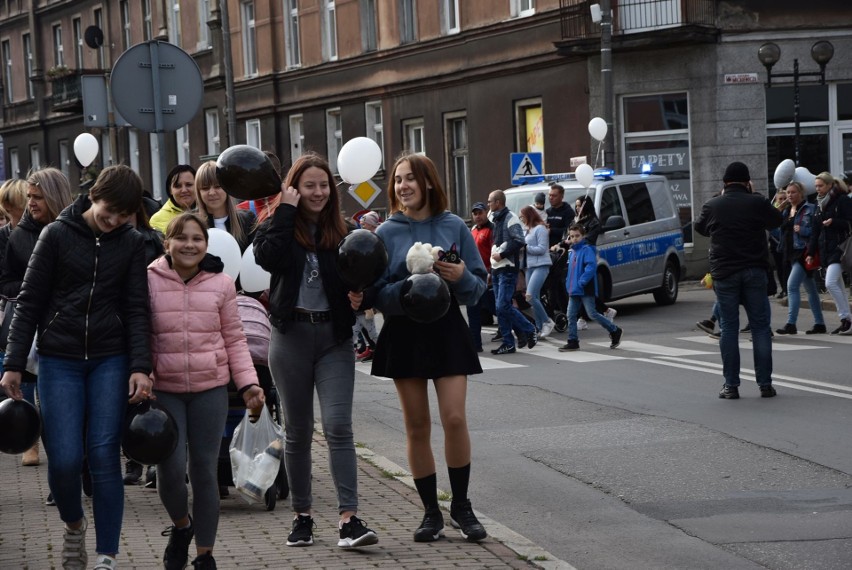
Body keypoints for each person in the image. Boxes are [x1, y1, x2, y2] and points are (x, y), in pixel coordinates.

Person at [0, 164, 153, 569]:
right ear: (93, 195)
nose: (115, 220)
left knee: (103, 455)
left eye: (124, 215)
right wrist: (13, 363)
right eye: (110, 211)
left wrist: (140, 365)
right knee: (65, 458)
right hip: (59, 359)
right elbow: (28, 301)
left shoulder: (131, 242)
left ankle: (106, 554)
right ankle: (73, 525)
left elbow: (138, 309)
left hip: (110, 358)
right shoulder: (55, 235)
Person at [253, 152, 379, 550]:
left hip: (333, 340)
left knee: (339, 425)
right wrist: (286, 210)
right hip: (290, 338)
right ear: (294, 187)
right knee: (299, 431)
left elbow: (368, 276)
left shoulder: (343, 232)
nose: (319, 192)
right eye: (309, 185)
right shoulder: (277, 226)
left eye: (324, 185)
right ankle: (302, 517)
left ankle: (349, 519)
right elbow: (266, 258)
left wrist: (363, 296)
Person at [368, 153, 488, 543]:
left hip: (447, 328)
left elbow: (478, 286)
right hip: (404, 332)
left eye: (410, 179)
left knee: (454, 419)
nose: (402, 186)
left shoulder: (454, 226)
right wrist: (402, 290)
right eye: (398, 180)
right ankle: (431, 513)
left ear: (429, 183)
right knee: (416, 425)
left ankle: (461, 507)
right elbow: (375, 292)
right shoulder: (387, 232)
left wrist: (460, 275)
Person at [149, 213, 265, 570]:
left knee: (203, 470)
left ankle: (205, 556)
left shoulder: (222, 283)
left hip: (209, 390)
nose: (189, 245)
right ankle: (182, 527)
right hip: (164, 392)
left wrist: (248, 384)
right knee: (169, 472)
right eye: (180, 238)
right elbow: (139, 335)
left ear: (206, 244)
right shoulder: (147, 280)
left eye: (197, 238)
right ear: (167, 242)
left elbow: (235, 338)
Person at [0, 171, 74, 469]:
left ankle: (80, 468)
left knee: (74, 413)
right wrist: (35, 286)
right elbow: (6, 283)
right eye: (29, 197)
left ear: (55, 197)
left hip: (79, 335)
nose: (31, 203)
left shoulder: (81, 229)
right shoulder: (19, 237)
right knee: (51, 408)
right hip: (38, 336)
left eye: (38, 197)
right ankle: (59, 474)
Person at [694, 161, 783, 399]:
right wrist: (754, 196)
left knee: (730, 328)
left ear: (724, 183)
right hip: (755, 270)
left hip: (724, 273)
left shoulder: (713, 205)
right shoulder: (757, 201)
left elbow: (699, 228)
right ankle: (765, 385)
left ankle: (731, 386)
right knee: (760, 328)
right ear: (747, 182)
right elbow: (777, 221)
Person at [123, 205, 165, 486]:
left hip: (151, 319)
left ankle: (153, 459)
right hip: (121, 325)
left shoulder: (153, 240)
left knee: (151, 394)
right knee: (129, 396)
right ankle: (133, 458)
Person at [558, 224, 622, 351]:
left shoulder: (587, 250)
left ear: (583, 236)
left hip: (585, 287)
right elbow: (570, 271)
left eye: (577, 236)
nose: (575, 239)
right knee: (570, 315)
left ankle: (614, 330)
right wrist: (568, 284)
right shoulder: (572, 252)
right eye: (572, 236)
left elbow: (591, 267)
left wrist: (582, 282)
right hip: (574, 289)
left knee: (592, 313)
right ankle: (573, 340)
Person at [488, 189, 537, 355]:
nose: (488, 204)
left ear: (498, 203)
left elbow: (519, 241)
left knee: (502, 306)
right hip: (496, 269)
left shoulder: (511, 218)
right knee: (501, 307)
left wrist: (501, 254)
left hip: (507, 268)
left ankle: (529, 329)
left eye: (490, 201)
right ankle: (509, 342)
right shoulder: (494, 218)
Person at [775, 181, 826, 335]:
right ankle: (820, 324)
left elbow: (817, 230)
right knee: (811, 289)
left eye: (793, 192)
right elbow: (780, 232)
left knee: (792, 286)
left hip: (804, 253)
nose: (790, 195)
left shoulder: (809, 209)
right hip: (790, 253)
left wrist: (802, 229)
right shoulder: (786, 211)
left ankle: (791, 323)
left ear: (801, 193)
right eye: (788, 193)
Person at [806, 172, 852, 335]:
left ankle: (846, 318)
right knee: (837, 284)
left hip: (841, 247)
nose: (817, 189)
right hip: (826, 249)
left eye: (820, 186)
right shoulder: (818, 204)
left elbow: (849, 222)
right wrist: (811, 252)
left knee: (830, 283)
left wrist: (834, 222)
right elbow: (815, 231)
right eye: (816, 186)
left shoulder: (842, 200)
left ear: (830, 185)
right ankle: (847, 320)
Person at [194, 160, 257, 253]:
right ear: (198, 192)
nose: (211, 193)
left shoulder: (247, 220)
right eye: (205, 188)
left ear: (227, 188)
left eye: (218, 186)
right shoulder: (191, 224)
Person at [519, 205, 555, 337]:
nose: (521, 219)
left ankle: (547, 321)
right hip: (529, 266)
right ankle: (539, 327)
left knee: (530, 296)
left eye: (522, 216)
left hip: (541, 265)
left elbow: (542, 248)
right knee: (533, 298)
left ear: (528, 215)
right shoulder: (527, 230)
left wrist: (526, 247)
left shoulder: (540, 228)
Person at [352, 211, 382, 362]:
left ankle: (377, 348)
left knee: (369, 327)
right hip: (361, 283)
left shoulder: (377, 237)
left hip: (369, 284)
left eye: (364, 221)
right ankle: (368, 347)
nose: (362, 223)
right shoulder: (360, 236)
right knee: (358, 327)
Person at [466, 201, 495, 351]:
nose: (477, 216)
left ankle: (524, 331)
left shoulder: (491, 229)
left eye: (480, 213)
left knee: (496, 308)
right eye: (475, 213)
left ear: (486, 213)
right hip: (474, 276)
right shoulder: (473, 230)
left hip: (488, 276)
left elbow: (494, 251)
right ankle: (475, 344)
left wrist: (490, 272)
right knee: (473, 311)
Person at [150, 164, 197, 233]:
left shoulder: (207, 212)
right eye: (178, 186)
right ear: (170, 190)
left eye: (189, 185)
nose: (184, 190)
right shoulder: (157, 219)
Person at [769, 187, 790, 299]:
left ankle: (788, 289)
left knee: (786, 267)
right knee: (779, 268)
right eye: (780, 199)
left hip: (786, 244)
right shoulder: (773, 211)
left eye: (784, 198)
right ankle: (783, 289)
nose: (782, 201)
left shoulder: (789, 210)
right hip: (775, 243)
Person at [546, 183, 575, 248]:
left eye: (554, 196)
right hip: (547, 249)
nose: (551, 198)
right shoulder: (547, 212)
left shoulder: (568, 212)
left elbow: (569, 231)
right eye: (550, 195)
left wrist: (551, 230)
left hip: (562, 249)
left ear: (562, 197)